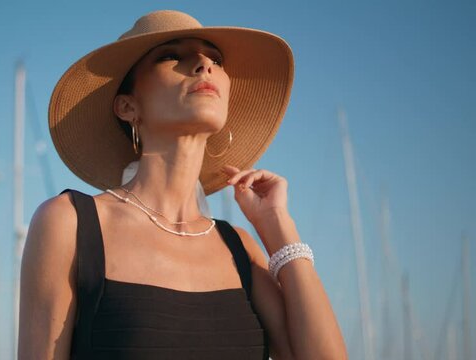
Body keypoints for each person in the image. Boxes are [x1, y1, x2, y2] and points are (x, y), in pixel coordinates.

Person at [19, 10, 346, 360]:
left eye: (215, 59)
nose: (204, 64)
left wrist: (278, 227)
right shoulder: (70, 224)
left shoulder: (239, 248)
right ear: (127, 106)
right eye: (172, 55)